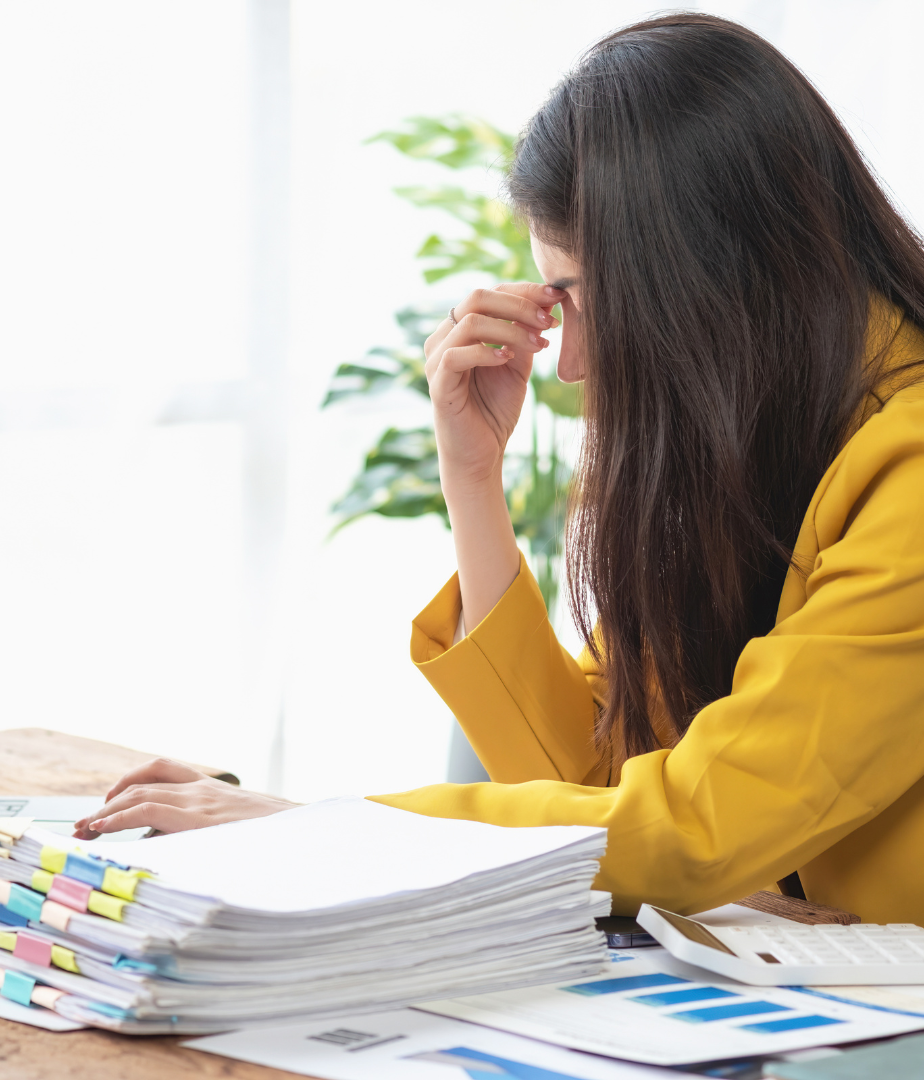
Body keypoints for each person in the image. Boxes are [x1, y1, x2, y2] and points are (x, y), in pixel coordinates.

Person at [74, 14, 924, 924]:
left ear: (712, 277)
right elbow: (591, 777)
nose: (575, 362)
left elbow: (693, 831)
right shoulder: (768, 434)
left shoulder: (907, 470)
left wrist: (317, 827)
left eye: (585, 300)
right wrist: (472, 481)